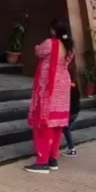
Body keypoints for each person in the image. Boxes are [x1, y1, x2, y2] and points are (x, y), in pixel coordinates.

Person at [24, 21, 74, 174]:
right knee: (57, 125)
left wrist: (36, 46)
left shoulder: (50, 43)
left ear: (53, 31)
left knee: (44, 124)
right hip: (63, 87)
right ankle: (53, 159)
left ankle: (42, 162)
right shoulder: (70, 46)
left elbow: (38, 52)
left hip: (49, 88)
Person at [62, 61, 80, 157]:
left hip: (69, 111)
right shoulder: (75, 83)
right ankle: (71, 148)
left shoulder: (67, 85)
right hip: (75, 111)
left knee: (65, 129)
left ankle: (72, 149)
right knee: (66, 129)